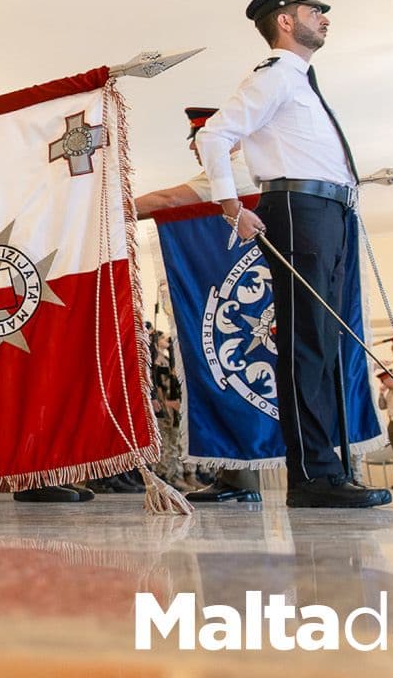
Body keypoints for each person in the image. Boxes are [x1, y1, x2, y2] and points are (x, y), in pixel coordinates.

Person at [195, 0, 391, 510]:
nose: (324, 17)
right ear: (285, 20)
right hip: (298, 208)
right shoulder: (275, 75)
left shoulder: (299, 79)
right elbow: (214, 134)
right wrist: (231, 204)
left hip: (328, 210)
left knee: (325, 342)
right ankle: (312, 476)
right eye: (313, 11)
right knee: (307, 341)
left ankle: (331, 467)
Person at [136, 106, 264, 505]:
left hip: (239, 302)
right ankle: (239, 477)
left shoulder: (230, 175)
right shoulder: (262, 169)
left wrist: (103, 208)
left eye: (203, 141)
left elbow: (167, 198)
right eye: (195, 143)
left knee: (228, 373)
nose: (197, 150)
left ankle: (241, 481)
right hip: (251, 299)